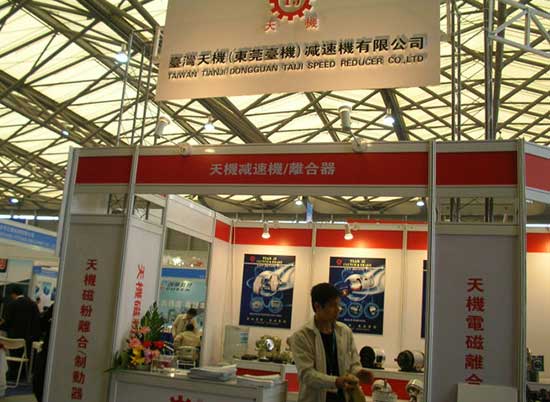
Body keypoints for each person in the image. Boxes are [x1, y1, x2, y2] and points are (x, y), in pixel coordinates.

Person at [289, 283, 374, 402]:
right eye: (332, 305)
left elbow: (353, 363)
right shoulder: (302, 336)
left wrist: (359, 372)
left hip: (342, 398)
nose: (338, 309)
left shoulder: (345, 331)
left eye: (338, 305)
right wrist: (336, 381)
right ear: (317, 306)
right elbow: (307, 375)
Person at [0, 284, 41, 380]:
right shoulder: (33, 304)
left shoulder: (12, 305)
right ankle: (23, 375)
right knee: (26, 356)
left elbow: (7, 323)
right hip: (28, 339)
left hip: (13, 340)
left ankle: (13, 374)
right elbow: (37, 322)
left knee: (14, 355)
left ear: (13, 294)